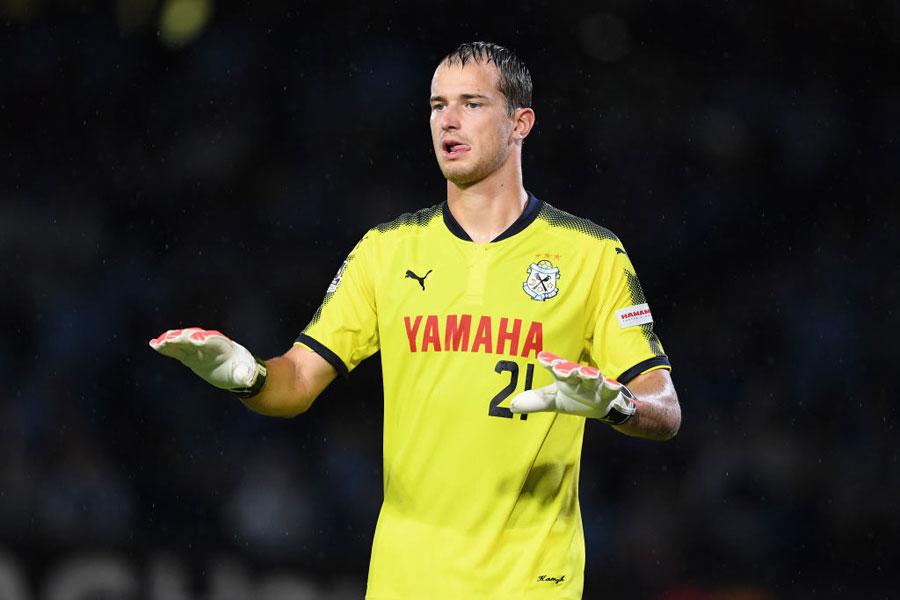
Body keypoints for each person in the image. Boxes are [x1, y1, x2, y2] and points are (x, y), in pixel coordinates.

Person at [151, 41, 681, 600]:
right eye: (436, 105)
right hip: (405, 581)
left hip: (530, 582)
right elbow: (298, 382)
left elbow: (665, 406)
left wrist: (619, 405)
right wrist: (246, 376)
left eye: (471, 104)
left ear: (520, 123)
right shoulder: (387, 251)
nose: (448, 120)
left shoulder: (590, 254)